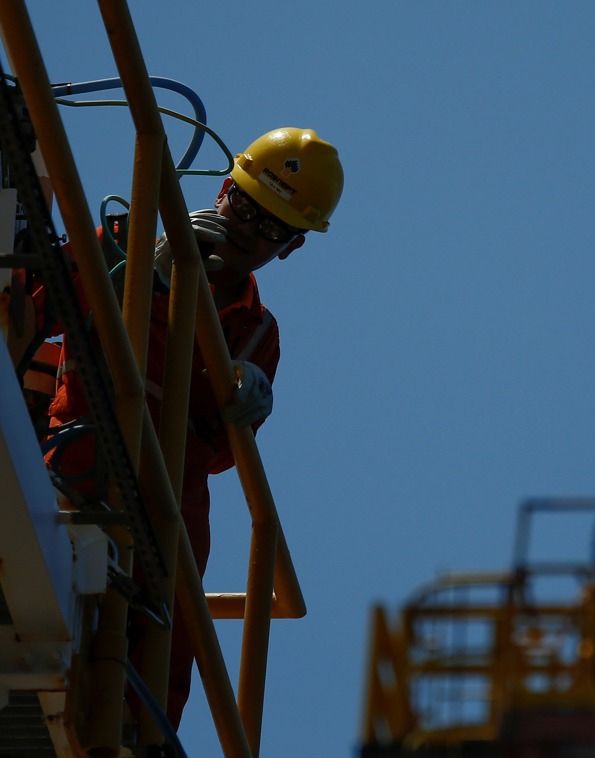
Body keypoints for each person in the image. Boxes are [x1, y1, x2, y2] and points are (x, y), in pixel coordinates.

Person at [42, 126, 344, 727]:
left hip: (167, 500)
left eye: (272, 228)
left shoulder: (257, 334)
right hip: (77, 455)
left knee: (169, 632)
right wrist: (147, 280)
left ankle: (137, 735)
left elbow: (214, 455)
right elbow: (39, 296)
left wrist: (249, 403)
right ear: (225, 188)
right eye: (247, 207)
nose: (248, 231)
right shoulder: (122, 245)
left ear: (291, 246)